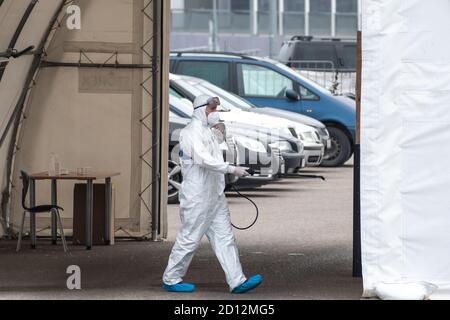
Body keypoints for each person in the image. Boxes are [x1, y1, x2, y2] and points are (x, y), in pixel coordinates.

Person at [162, 94, 263, 294]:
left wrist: (221, 131)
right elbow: (203, 159)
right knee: (189, 238)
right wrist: (232, 169)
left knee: (225, 238)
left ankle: (237, 281)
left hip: (214, 196)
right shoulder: (190, 132)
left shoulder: (206, 131)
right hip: (198, 197)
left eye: (216, 109)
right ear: (200, 109)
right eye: (211, 109)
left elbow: (216, 142)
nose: (214, 113)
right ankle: (171, 278)